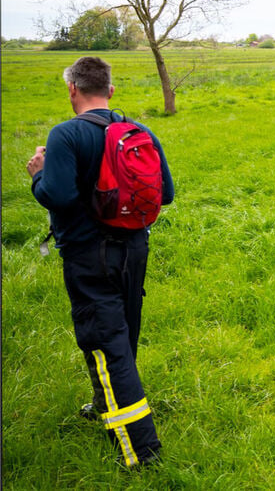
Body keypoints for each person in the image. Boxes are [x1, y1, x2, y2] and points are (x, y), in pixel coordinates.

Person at [27, 57, 174, 467]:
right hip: (135, 249)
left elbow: (57, 196)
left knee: (104, 340)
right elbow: (167, 194)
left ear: (72, 89)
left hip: (89, 255)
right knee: (120, 335)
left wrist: (38, 173)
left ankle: (141, 452)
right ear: (110, 90)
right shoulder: (141, 131)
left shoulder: (65, 136)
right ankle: (106, 405)